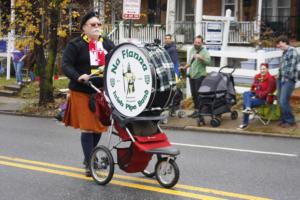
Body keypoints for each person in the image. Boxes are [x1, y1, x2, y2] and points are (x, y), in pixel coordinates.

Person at [61, 11, 115, 176]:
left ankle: (88, 158)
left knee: (98, 128)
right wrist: (78, 76)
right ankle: (90, 162)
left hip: (100, 92)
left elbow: (115, 60)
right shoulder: (75, 44)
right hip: (82, 91)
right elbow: (66, 65)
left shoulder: (107, 43)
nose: (97, 27)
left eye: (99, 24)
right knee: (88, 129)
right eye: (93, 25)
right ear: (84, 28)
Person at [239, 63, 276, 129]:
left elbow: (269, 91)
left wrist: (259, 93)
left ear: (267, 69)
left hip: (264, 99)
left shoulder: (271, 79)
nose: (262, 70)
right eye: (261, 69)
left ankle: (245, 123)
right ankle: (248, 108)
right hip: (257, 95)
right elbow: (254, 87)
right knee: (245, 93)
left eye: (264, 69)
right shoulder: (258, 77)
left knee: (246, 102)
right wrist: (254, 90)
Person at [182, 35, 211, 119]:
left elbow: (208, 62)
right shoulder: (192, 50)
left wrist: (200, 57)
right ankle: (196, 110)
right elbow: (191, 62)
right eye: (195, 42)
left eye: (198, 42)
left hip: (200, 75)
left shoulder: (204, 51)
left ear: (201, 43)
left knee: (199, 95)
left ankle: (200, 112)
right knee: (194, 94)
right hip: (192, 75)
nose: (196, 44)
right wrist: (185, 67)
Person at [276, 36, 299, 128]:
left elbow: (291, 67)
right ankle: (284, 119)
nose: (278, 46)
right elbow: (282, 67)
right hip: (281, 79)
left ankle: (290, 120)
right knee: (280, 100)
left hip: (288, 80)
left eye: (279, 43)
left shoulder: (292, 51)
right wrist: (279, 75)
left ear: (284, 42)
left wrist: (284, 77)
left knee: (283, 101)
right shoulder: (284, 53)